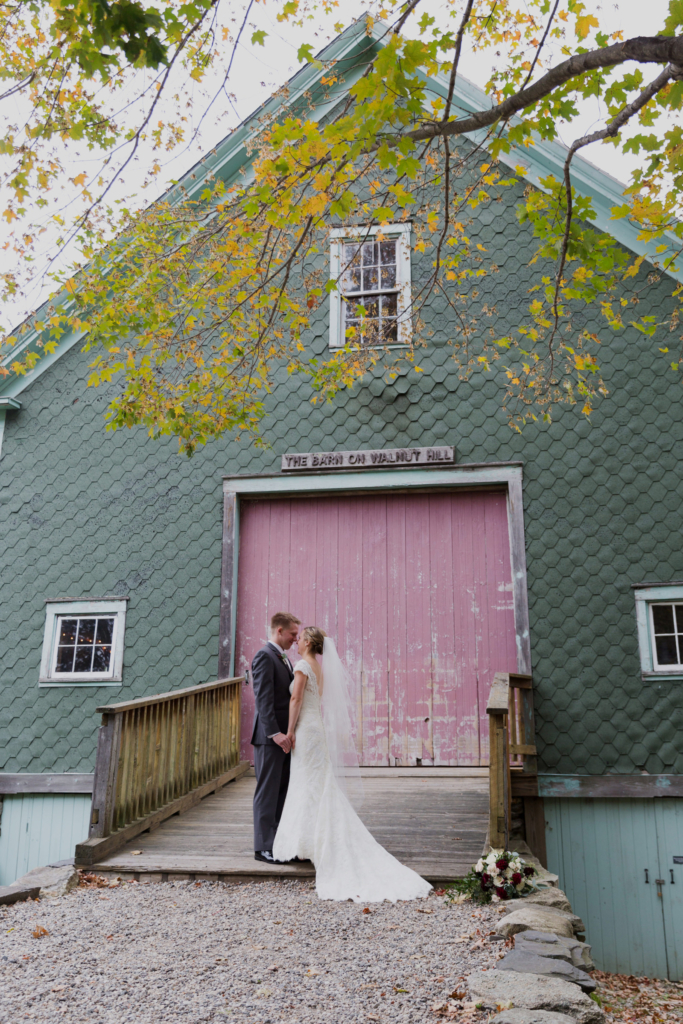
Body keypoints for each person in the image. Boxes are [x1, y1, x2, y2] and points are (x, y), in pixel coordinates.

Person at [272, 625, 432, 902]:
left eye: (300, 639)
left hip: (305, 730)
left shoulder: (301, 664)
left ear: (308, 642)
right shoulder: (318, 667)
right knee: (316, 784)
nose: (296, 642)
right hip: (316, 731)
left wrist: (288, 731)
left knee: (307, 784)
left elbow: (296, 698)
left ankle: (308, 843)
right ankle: (309, 841)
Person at [251, 611, 301, 863]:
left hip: (285, 737)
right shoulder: (264, 656)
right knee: (267, 791)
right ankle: (263, 847)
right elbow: (263, 700)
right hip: (270, 737)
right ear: (279, 631)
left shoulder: (283, 658)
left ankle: (280, 842)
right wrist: (275, 733)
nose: (296, 638)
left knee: (283, 790)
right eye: (293, 633)